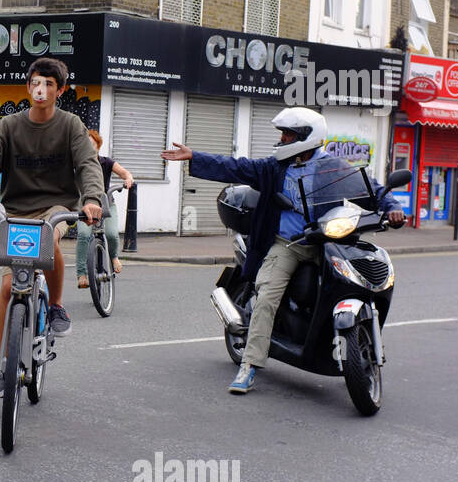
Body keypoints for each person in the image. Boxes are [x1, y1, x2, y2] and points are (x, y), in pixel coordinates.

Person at [161, 107, 406, 395]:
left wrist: (393, 208)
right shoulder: (274, 168)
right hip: (288, 244)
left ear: (306, 138)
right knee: (266, 297)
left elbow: (372, 190)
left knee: (351, 282)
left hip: (327, 243)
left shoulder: (334, 167)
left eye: (288, 134)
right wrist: (194, 157)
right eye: (283, 133)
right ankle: (249, 366)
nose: (283, 139)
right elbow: (235, 166)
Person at [0, 57, 104, 397]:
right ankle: (5, 363)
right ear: (28, 87)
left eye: (50, 84)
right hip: (16, 212)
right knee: (8, 291)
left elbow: (87, 164)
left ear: (59, 90)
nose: (42, 89)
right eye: (37, 82)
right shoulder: (7, 127)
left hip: (56, 207)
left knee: (48, 238)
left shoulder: (71, 126)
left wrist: (92, 199)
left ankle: (55, 307)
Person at [75, 129, 134, 286]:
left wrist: (128, 179)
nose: (88, 147)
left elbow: (124, 173)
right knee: (83, 235)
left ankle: (114, 257)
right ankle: (82, 274)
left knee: (112, 234)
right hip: (86, 205)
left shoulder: (106, 162)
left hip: (107, 204)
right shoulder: (78, 164)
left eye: (92, 145)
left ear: (98, 146)